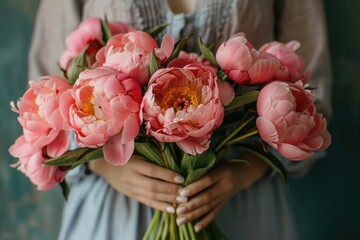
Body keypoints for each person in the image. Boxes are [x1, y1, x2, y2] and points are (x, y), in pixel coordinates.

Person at [28, 0, 332, 239]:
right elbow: (47, 93)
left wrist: (242, 173)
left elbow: (312, 98)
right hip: (115, 214)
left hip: (241, 205)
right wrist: (102, 163)